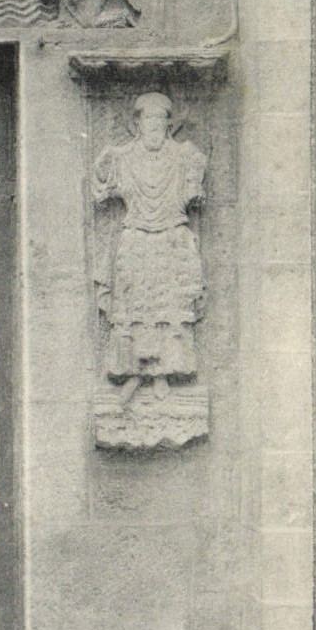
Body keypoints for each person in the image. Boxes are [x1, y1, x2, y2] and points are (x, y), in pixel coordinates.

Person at [92, 92, 206, 403]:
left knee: (169, 304)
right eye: (148, 118)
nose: (154, 125)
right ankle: (132, 372)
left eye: (160, 119)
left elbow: (195, 190)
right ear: (137, 123)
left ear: (169, 124)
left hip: (171, 237)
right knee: (133, 305)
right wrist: (108, 164)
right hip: (137, 237)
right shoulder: (123, 157)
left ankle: (163, 373)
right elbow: (101, 184)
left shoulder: (184, 156)